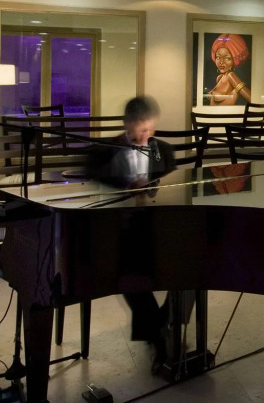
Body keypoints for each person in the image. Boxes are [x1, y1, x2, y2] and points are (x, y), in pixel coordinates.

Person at [86, 96, 178, 372]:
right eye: (142, 129)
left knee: (193, 269)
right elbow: (92, 182)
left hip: (157, 228)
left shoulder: (163, 150)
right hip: (119, 230)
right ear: (127, 124)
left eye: (151, 129)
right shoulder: (104, 152)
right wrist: (127, 186)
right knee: (129, 276)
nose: (147, 135)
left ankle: (160, 325)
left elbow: (174, 187)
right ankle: (158, 336)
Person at [207, 33, 252, 105]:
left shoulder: (231, 76)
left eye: (227, 58)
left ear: (234, 60)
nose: (221, 62)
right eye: (218, 57)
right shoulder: (219, 78)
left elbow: (251, 98)